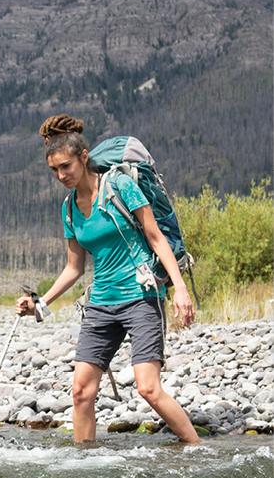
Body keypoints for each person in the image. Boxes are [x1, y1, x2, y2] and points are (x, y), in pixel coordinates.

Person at [16, 115, 199, 444]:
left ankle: (197, 447)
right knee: (81, 392)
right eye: (54, 170)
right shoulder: (69, 208)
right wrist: (41, 302)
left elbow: (156, 238)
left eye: (66, 167)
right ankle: (84, 462)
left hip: (141, 295)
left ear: (83, 157)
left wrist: (180, 288)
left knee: (147, 387)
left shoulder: (120, 187)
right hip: (101, 304)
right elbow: (74, 268)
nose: (61, 175)